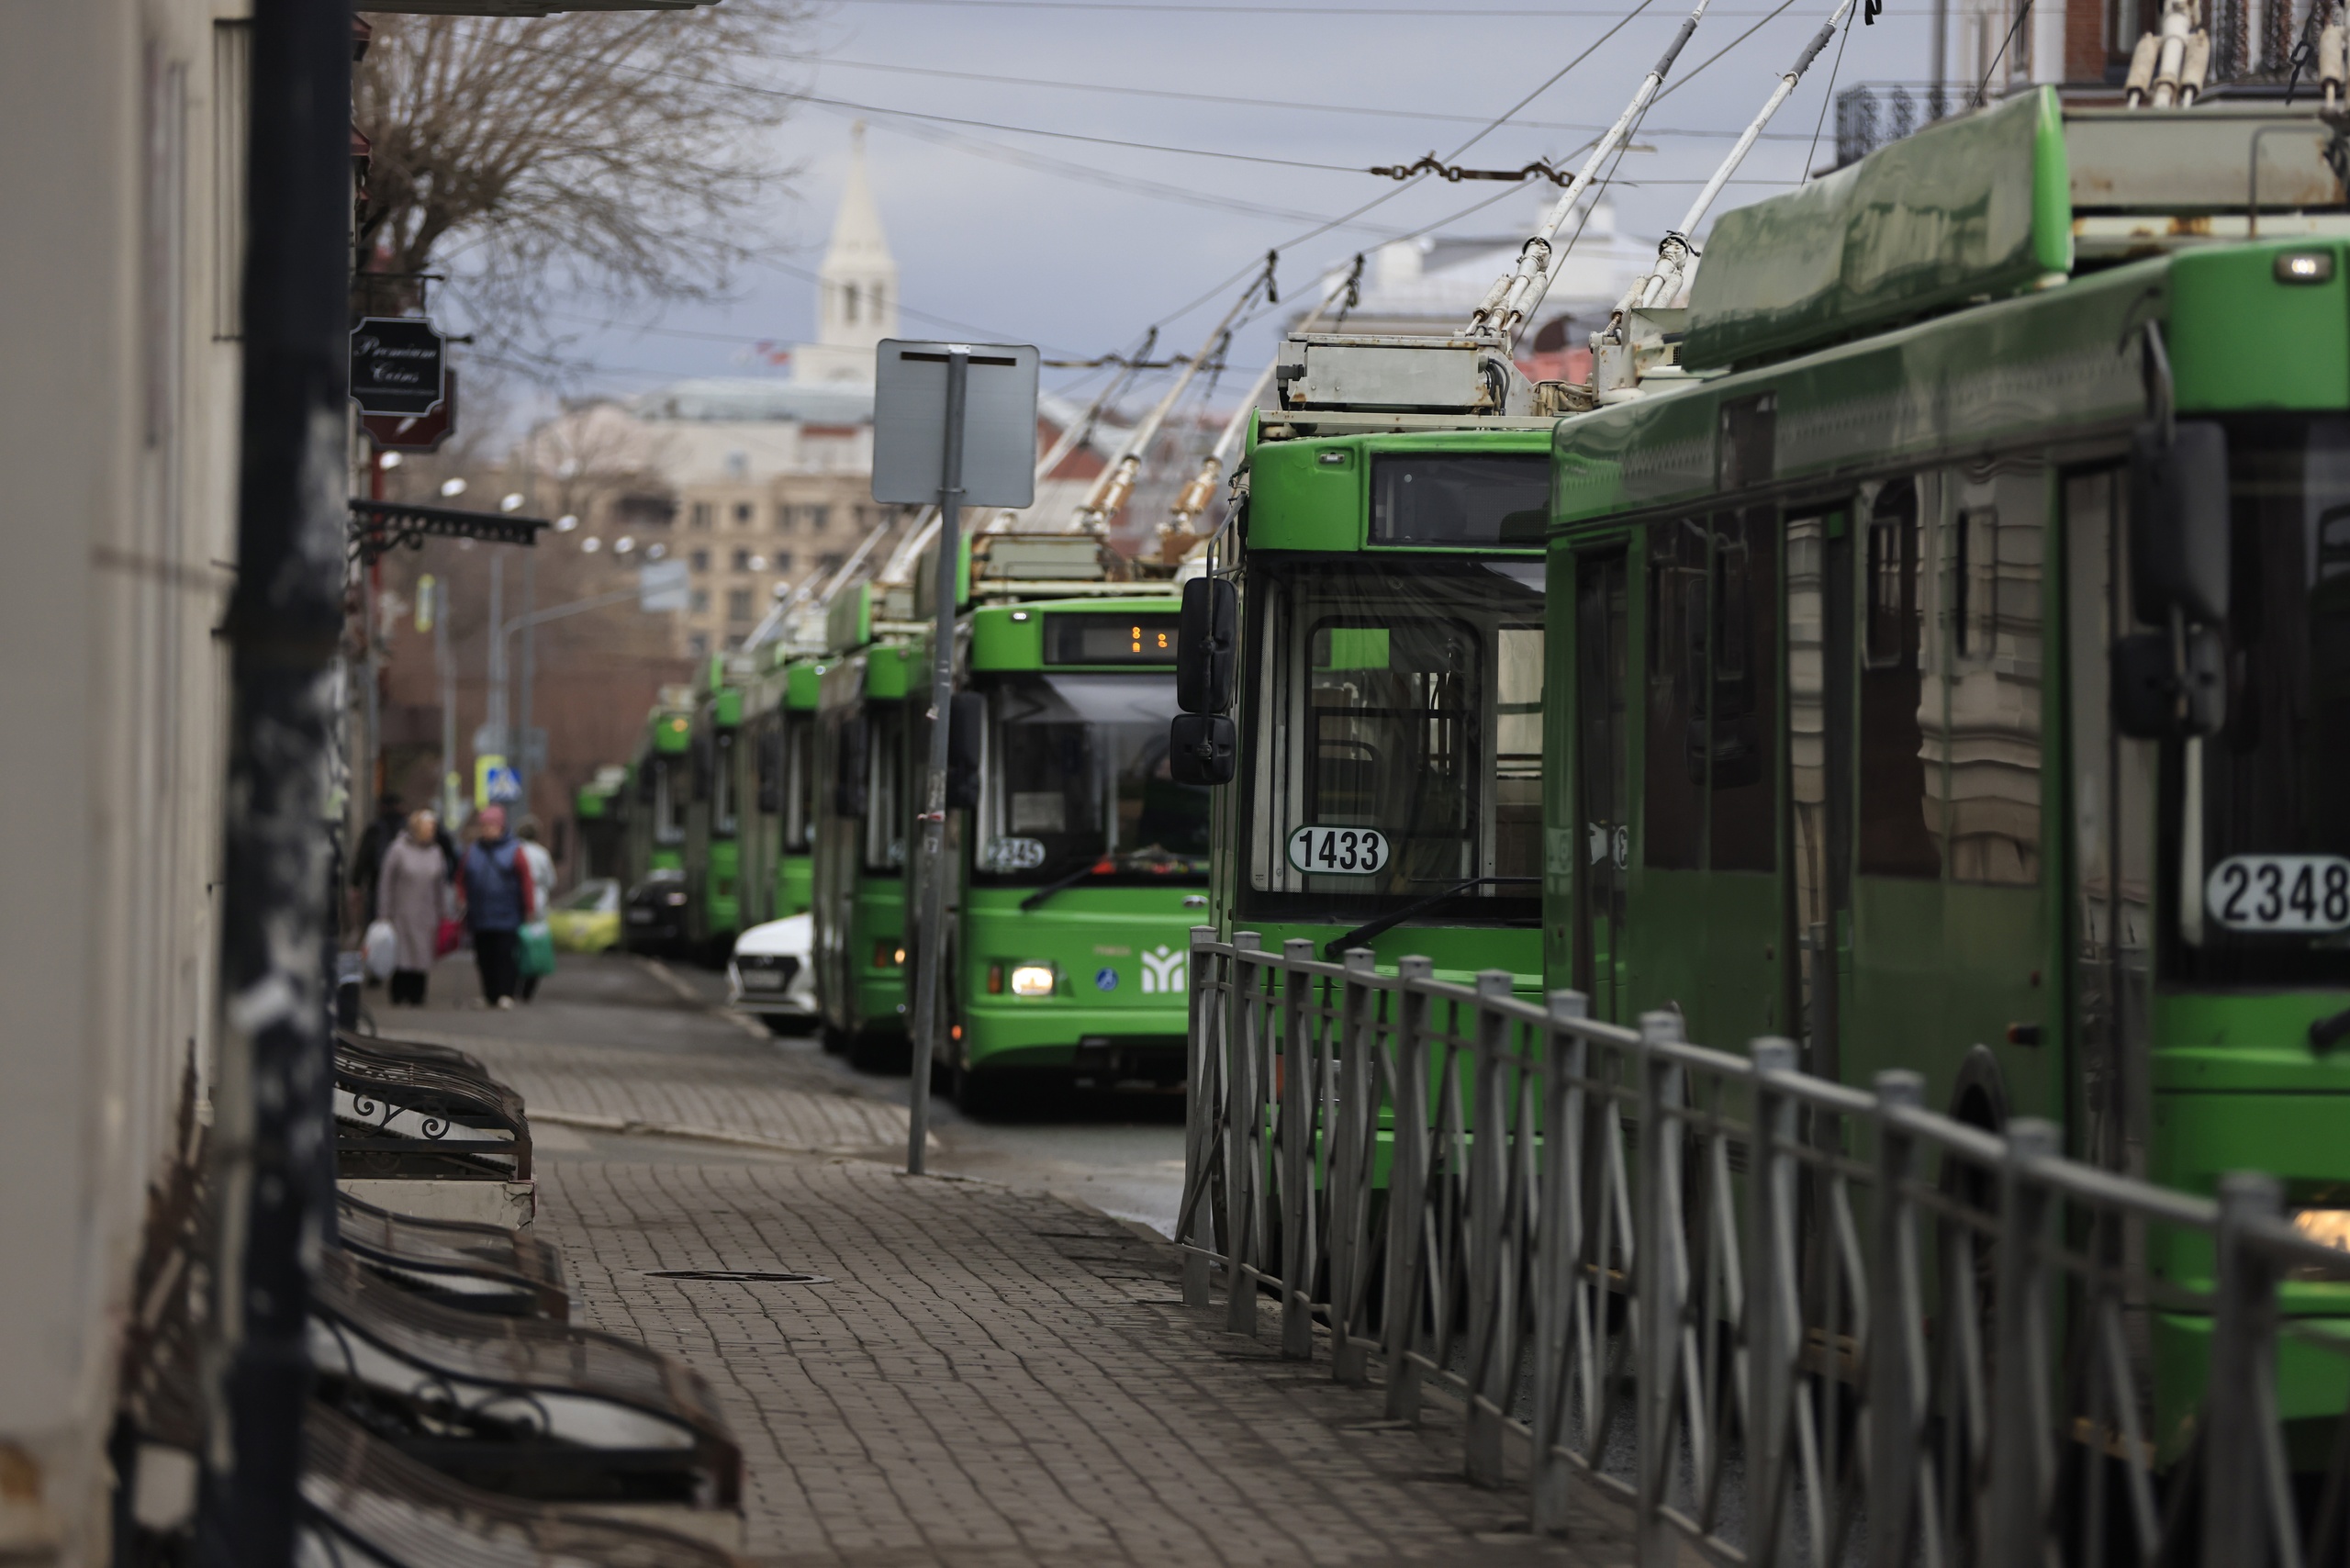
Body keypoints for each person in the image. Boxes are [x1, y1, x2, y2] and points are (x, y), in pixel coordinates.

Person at [457, 804, 536, 1008]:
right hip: (479, 914)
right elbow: (461, 878)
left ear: (501, 827)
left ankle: (505, 993)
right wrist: (462, 898)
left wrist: (529, 908)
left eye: (491, 826)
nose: (487, 830)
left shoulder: (514, 851)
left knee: (505, 955)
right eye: (484, 826)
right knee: (484, 957)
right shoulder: (473, 851)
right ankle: (489, 993)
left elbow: (526, 881)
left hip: (507, 915)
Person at [377, 809, 449, 1006]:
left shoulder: (436, 852)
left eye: (433, 827)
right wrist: (384, 911)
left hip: (427, 913)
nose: (431, 831)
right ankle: (399, 994)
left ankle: (417, 995)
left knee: (422, 955)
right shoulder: (398, 849)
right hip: (401, 912)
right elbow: (386, 883)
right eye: (428, 827)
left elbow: (440, 885)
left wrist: (443, 911)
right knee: (402, 955)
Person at [514, 816, 558, 1002]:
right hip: (538, 903)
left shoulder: (514, 851)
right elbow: (551, 881)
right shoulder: (542, 854)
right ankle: (528, 989)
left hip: (516, 903)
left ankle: (512, 985)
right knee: (534, 945)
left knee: (516, 945)